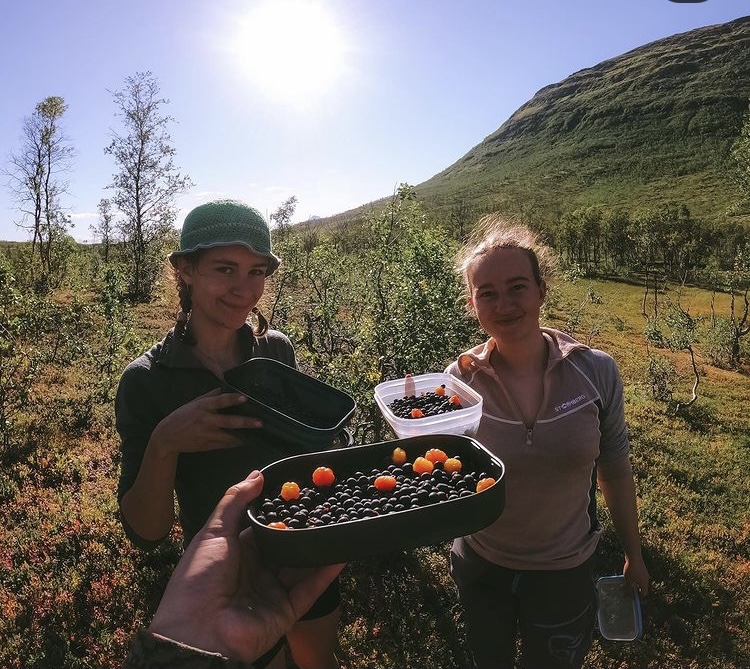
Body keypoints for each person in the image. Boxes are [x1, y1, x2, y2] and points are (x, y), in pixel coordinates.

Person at [116, 199, 342, 669]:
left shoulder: (274, 350)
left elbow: (299, 451)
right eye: (225, 269)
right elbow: (146, 531)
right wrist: (165, 443)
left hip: (302, 551)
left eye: (257, 271)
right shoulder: (147, 381)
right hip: (229, 582)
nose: (245, 290)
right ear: (185, 270)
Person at [445, 214, 650, 669]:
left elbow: (614, 468)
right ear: (472, 303)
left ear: (542, 291)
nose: (504, 304)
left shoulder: (596, 372)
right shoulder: (457, 382)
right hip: (481, 564)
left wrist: (633, 554)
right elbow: (442, 475)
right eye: (488, 293)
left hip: (565, 569)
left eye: (518, 286)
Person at [123, 470, 345, 669]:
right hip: (260, 574)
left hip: (298, 561)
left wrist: (195, 637)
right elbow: (145, 531)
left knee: (317, 656)